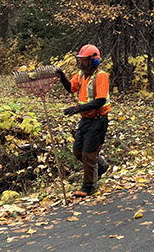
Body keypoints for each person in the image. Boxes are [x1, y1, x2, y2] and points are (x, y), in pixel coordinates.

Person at [57, 44, 110, 196]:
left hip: (98, 120)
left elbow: (100, 101)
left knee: (88, 155)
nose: (81, 64)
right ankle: (101, 167)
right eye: (80, 60)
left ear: (94, 61)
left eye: (84, 61)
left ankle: (89, 187)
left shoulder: (101, 77)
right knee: (78, 151)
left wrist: (78, 108)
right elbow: (70, 88)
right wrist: (63, 78)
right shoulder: (81, 75)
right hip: (85, 120)